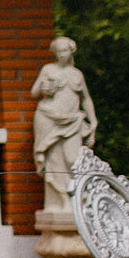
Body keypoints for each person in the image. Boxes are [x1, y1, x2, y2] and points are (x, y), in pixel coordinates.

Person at [31, 36, 96, 197]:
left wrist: (93, 120)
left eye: (65, 50)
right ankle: (61, 200)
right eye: (59, 51)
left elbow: (85, 98)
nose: (62, 54)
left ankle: (78, 196)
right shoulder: (48, 70)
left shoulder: (76, 74)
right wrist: (45, 89)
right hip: (48, 118)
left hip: (72, 120)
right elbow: (34, 92)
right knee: (53, 160)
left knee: (73, 159)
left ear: (71, 51)